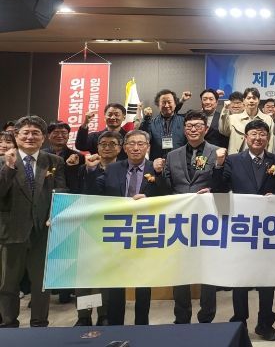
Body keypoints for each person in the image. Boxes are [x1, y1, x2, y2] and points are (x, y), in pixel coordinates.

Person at [213, 119, 275, 341]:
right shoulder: (233, 160)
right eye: (253, 134)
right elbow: (219, 189)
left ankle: (265, 323)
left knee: (267, 278)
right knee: (241, 279)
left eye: (262, 134)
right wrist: (218, 164)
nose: (258, 138)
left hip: (268, 230)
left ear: (268, 137)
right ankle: (240, 321)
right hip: (242, 229)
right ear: (246, 137)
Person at [84, 129, 165, 325]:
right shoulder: (113, 168)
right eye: (131, 144)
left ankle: (141, 324)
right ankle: (115, 325)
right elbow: (95, 194)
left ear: (147, 147)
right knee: (116, 281)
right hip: (118, 232)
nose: (136, 148)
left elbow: (167, 194)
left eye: (140, 144)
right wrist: (92, 171)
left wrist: (150, 197)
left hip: (145, 231)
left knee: (143, 282)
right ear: (125, 148)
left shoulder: (156, 169)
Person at [0, 115, 67, 327]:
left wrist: (55, 214)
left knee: (41, 283)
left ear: (43, 137)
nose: (30, 137)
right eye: (25, 133)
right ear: (16, 135)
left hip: (44, 230)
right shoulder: (3, 161)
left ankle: (39, 324)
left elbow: (61, 191)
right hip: (12, 231)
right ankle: (8, 323)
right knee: (7, 283)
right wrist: (8, 167)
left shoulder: (54, 161)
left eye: (35, 133)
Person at [155, 110, 217, 325]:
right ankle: (181, 317)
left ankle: (207, 317)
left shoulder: (217, 153)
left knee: (208, 270)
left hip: (207, 221)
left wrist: (212, 191)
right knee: (180, 270)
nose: (193, 129)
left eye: (198, 125)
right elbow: (166, 187)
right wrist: (158, 174)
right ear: (184, 129)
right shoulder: (172, 155)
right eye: (189, 126)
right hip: (179, 221)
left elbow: (224, 183)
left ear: (205, 129)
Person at [66, 131, 123, 326]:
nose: (107, 147)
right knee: (85, 275)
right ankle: (84, 316)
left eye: (112, 144)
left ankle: (103, 314)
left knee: (105, 274)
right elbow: (75, 192)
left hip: (112, 227)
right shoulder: (83, 168)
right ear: (97, 147)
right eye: (103, 144)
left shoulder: (124, 169)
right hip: (86, 226)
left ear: (119, 148)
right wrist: (90, 171)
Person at [220, 87, 275, 154]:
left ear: (258, 101)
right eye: (248, 98)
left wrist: (269, 158)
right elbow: (223, 131)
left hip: (260, 158)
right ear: (244, 100)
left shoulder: (267, 119)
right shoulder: (233, 118)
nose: (251, 101)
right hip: (236, 158)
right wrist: (225, 110)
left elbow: (271, 142)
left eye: (254, 98)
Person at [139, 89, 187, 161]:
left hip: (180, 163)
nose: (166, 105)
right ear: (158, 105)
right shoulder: (151, 123)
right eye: (163, 102)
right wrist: (146, 119)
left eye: (169, 102)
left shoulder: (184, 121)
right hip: (158, 163)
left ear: (175, 104)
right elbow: (143, 139)